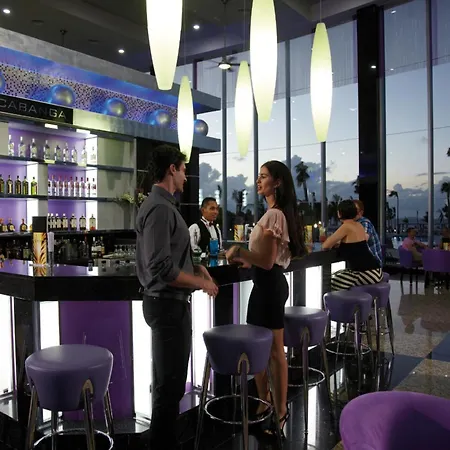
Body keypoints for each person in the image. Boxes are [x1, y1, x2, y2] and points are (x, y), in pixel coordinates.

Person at [135, 144, 218, 450]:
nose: (186, 176)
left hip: (169, 305)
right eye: (183, 169)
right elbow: (161, 268)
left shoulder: (164, 205)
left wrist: (195, 266)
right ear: (172, 169)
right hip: (166, 305)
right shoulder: (159, 207)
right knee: (168, 389)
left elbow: (170, 256)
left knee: (169, 387)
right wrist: (201, 282)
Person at [226, 160, 306, 438]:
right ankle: (265, 401)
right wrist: (248, 259)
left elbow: (268, 262)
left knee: (273, 351)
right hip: (265, 285)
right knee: (260, 349)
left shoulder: (274, 215)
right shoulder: (275, 214)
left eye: (263, 176)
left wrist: (239, 251)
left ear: (278, 182)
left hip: (270, 287)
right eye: (258, 176)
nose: (258, 181)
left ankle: (280, 411)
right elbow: (264, 259)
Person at [322, 199, 383, 290]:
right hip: (375, 271)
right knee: (337, 274)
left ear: (339, 213)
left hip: (367, 273)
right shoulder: (358, 225)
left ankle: (339, 299)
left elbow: (325, 246)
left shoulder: (346, 226)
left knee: (331, 280)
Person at [354, 199, 383, 266]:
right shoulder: (351, 224)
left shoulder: (364, 222)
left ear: (361, 212)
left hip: (373, 265)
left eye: (355, 210)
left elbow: (364, 239)